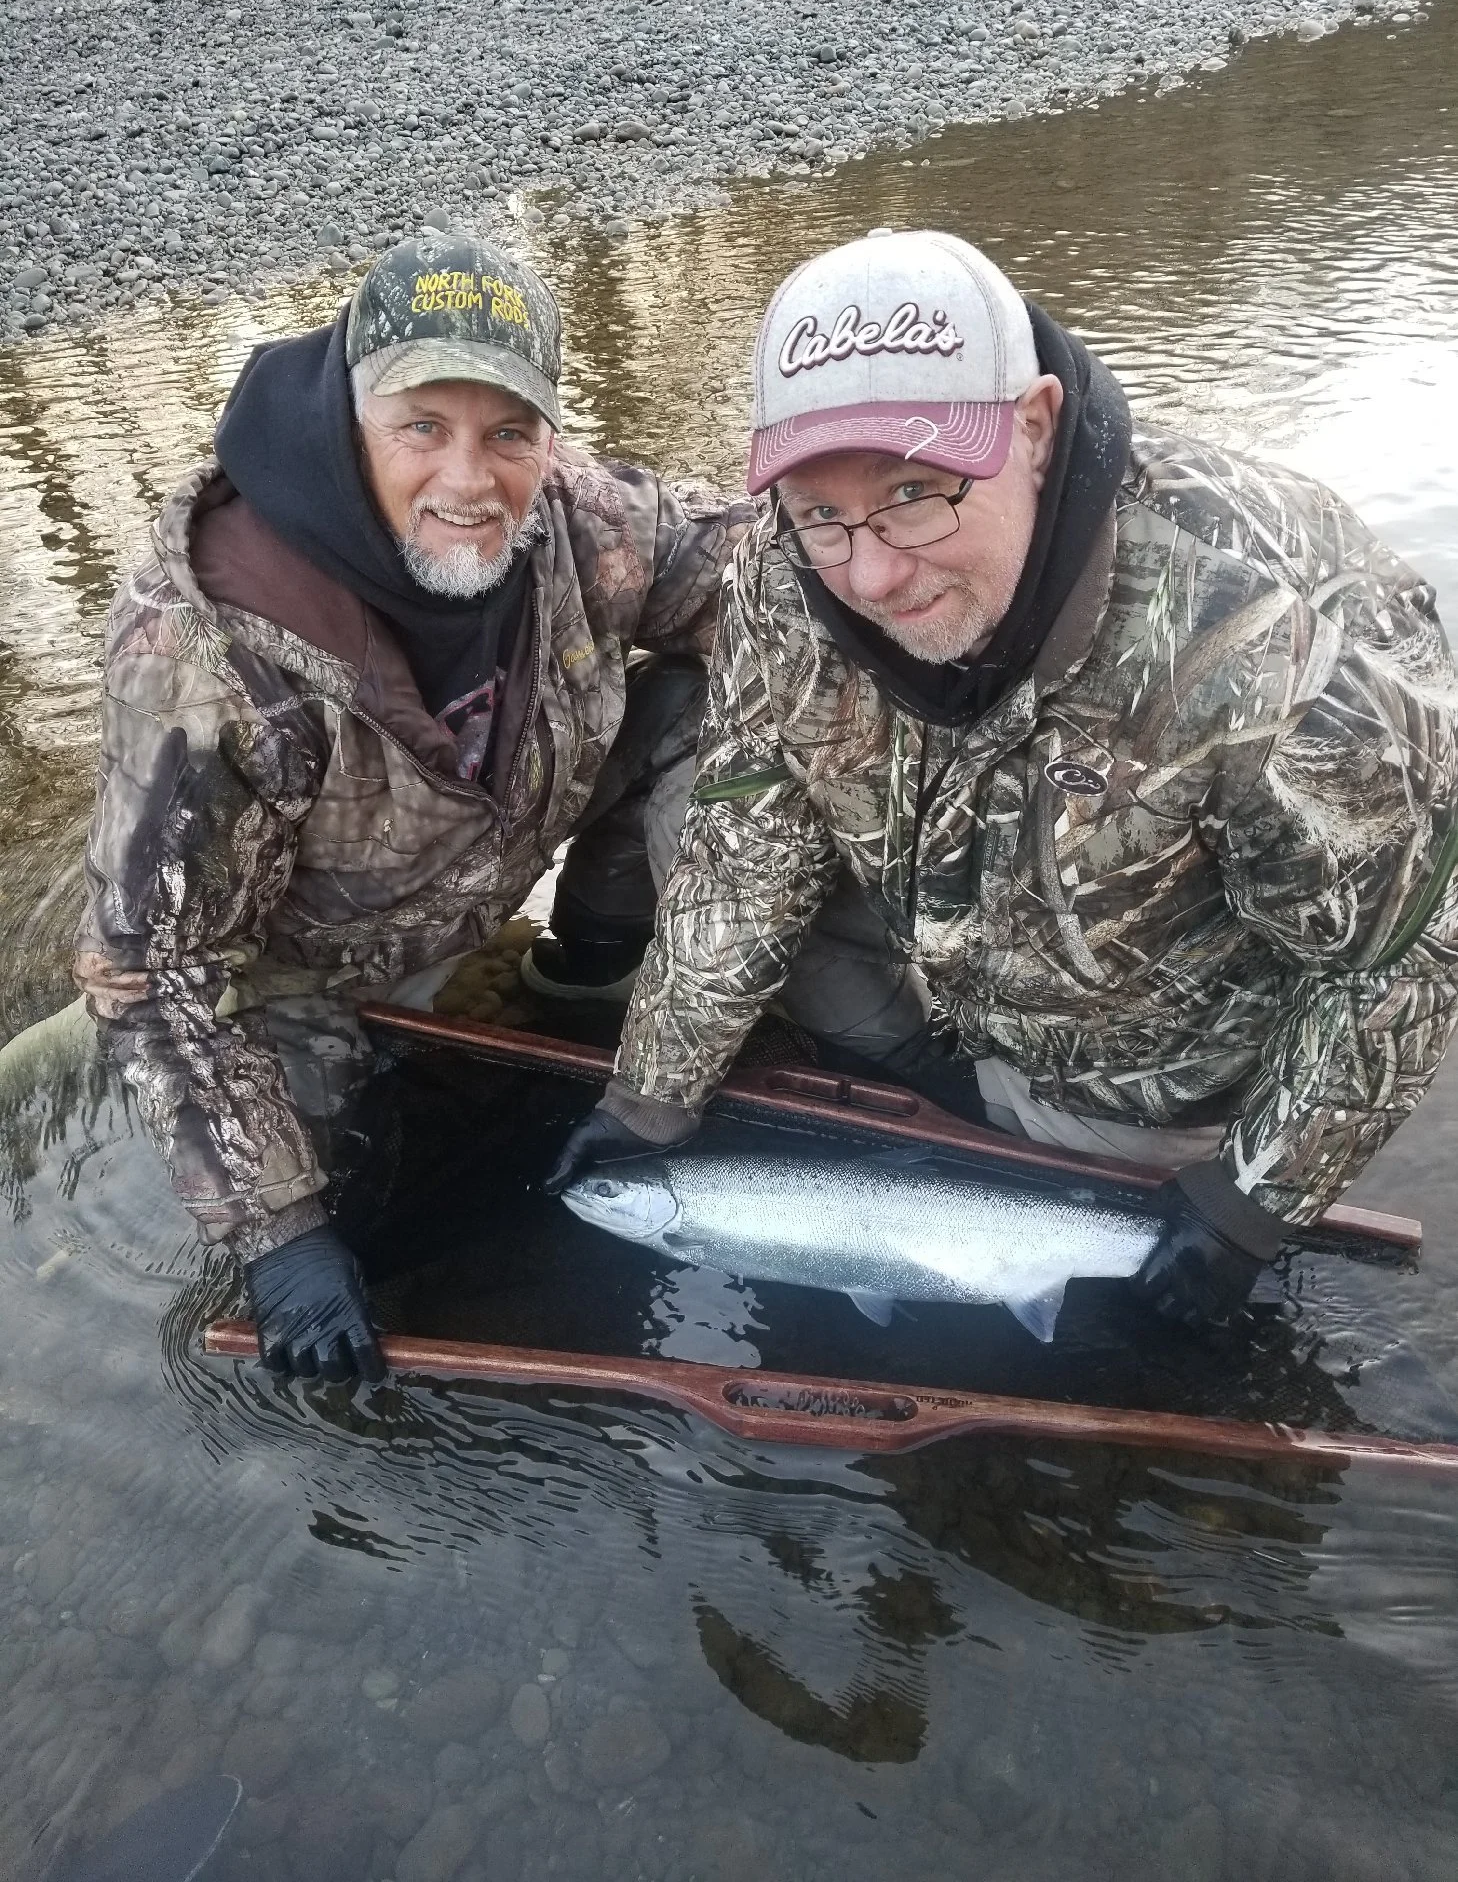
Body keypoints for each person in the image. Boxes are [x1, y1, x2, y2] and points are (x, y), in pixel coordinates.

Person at [549, 227, 1458, 1332]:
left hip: (1148, 1072)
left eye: (915, 491)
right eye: (822, 511)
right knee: (702, 801)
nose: (870, 573)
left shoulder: (1273, 630)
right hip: (947, 951)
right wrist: (648, 1099)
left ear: (1031, 428)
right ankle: (929, 1079)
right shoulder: (789, 573)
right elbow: (750, 850)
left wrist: (1252, 1200)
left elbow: (1405, 958)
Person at [73, 229, 752, 1381]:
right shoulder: (205, 649)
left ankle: (588, 969)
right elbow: (155, 966)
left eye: (509, 433)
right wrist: (279, 1232)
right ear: (351, 420)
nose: (470, 481)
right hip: (298, 967)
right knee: (355, 1214)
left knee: (713, 693)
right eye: (422, 427)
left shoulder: (579, 522)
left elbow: (764, 573)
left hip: (483, 875)